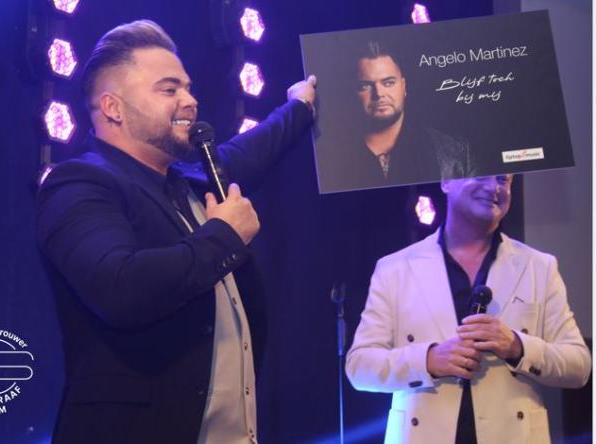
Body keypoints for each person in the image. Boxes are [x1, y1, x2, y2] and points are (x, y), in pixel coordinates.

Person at [36, 19, 316, 444]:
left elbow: (251, 152)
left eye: (187, 88)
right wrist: (224, 236)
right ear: (113, 108)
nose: (190, 100)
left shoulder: (187, 182)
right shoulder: (79, 183)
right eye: (169, 90)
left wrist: (301, 107)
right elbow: (119, 288)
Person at [345, 174, 590, 443]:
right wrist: (428, 360)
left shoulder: (539, 266)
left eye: (503, 180)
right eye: (481, 175)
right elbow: (360, 367)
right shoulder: (395, 268)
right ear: (446, 181)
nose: (493, 187)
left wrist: (517, 346)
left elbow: (579, 366)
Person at [326, 41, 476, 191]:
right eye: (365, 86)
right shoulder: (331, 155)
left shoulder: (455, 153)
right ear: (353, 93)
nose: (379, 94)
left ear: (404, 87)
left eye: (388, 83)